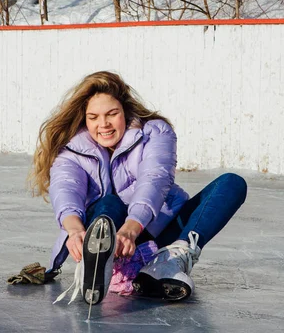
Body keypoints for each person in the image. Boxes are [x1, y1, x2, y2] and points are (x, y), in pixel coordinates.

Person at [30, 71, 247, 305]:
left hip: (152, 227)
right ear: (84, 119)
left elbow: (155, 179)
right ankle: (101, 262)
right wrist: (74, 231)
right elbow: (66, 189)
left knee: (231, 183)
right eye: (93, 117)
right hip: (109, 232)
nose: (103, 124)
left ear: (125, 111)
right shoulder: (72, 149)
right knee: (108, 203)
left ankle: (169, 261)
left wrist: (131, 229)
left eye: (112, 114)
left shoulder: (154, 132)